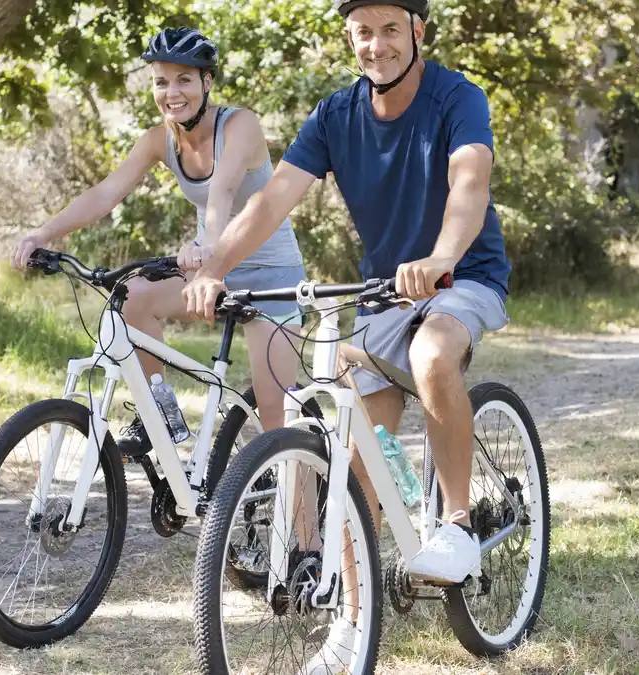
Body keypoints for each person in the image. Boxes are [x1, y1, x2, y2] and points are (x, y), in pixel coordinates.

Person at [182, 0, 511, 585]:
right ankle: (349, 620)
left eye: (390, 30)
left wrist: (440, 256)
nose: (376, 45)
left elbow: (470, 181)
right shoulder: (336, 114)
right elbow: (272, 200)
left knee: (432, 355)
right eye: (363, 32)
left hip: (462, 275)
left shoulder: (457, 97)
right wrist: (216, 267)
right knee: (358, 445)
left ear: (418, 31)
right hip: (385, 291)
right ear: (349, 37)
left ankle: (458, 525)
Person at [10, 26, 308, 457]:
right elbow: (106, 194)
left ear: (207, 82)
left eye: (184, 79)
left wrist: (208, 251)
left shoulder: (241, 125)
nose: (172, 92)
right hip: (208, 268)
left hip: (270, 277)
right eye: (161, 81)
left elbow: (222, 191)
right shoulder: (158, 140)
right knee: (133, 296)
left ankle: (303, 526)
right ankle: (159, 416)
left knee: (275, 432)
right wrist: (43, 234)